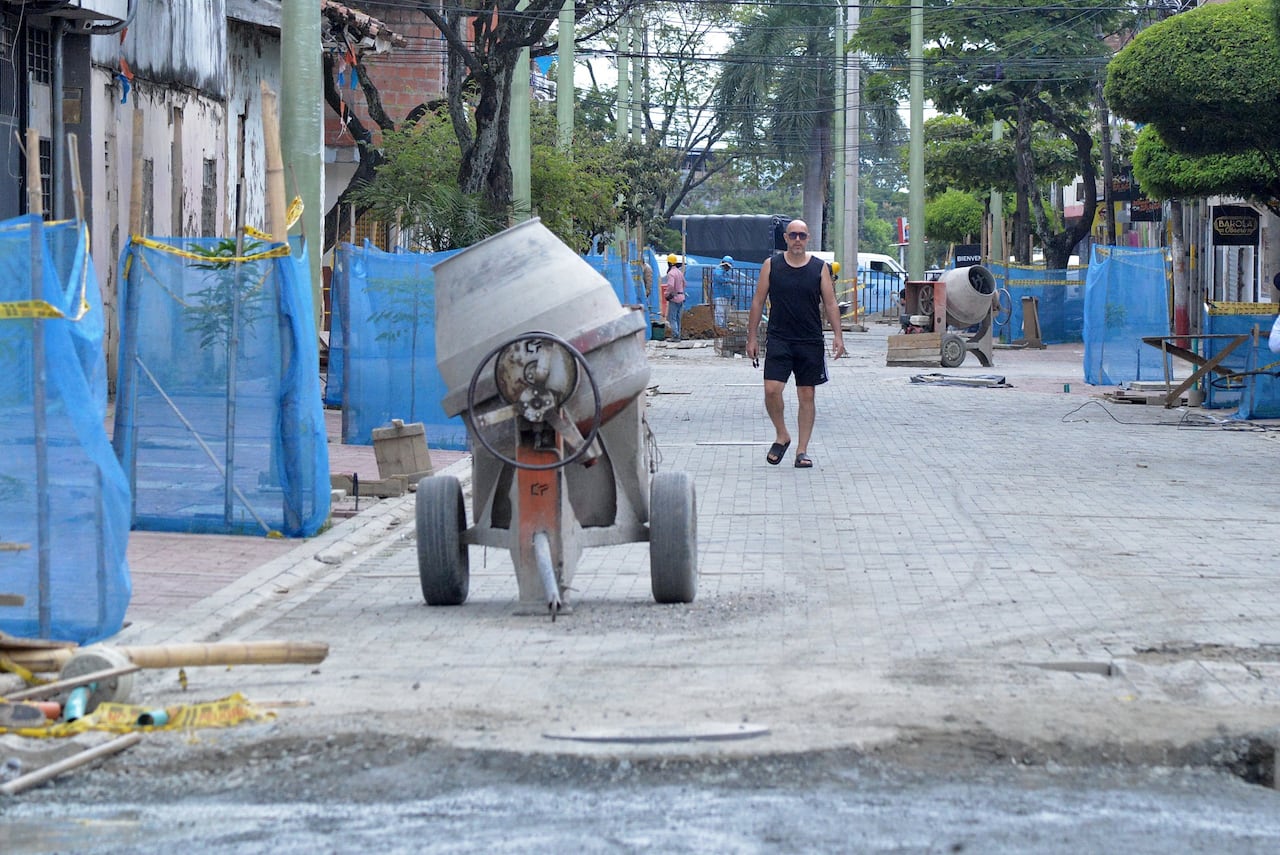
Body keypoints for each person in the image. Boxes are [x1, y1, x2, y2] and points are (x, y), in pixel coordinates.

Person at [745, 219, 845, 469]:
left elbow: (831, 303)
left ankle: (802, 450)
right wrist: (752, 337)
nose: (797, 240)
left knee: (806, 394)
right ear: (786, 239)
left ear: (807, 238)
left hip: (809, 340)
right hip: (779, 338)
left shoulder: (819, 268)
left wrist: (838, 335)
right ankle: (782, 435)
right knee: (771, 390)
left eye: (802, 235)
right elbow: (758, 301)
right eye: (793, 236)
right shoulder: (772, 266)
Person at [663, 254, 687, 342]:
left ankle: (675, 336)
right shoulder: (679, 272)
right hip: (681, 296)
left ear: (669, 263)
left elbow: (670, 285)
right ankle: (678, 334)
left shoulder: (671, 273)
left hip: (674, 298)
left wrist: (667, 294)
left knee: (672, 318)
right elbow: (685, 283)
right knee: (678, 318)